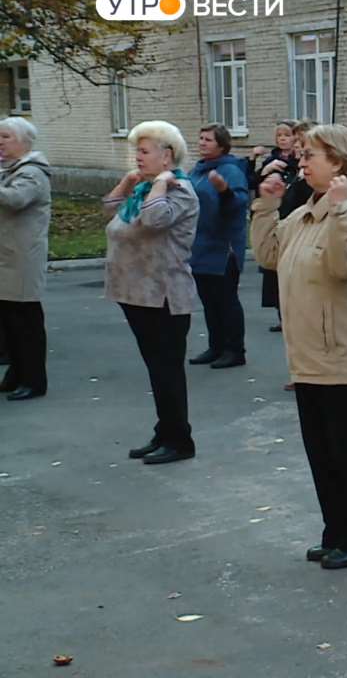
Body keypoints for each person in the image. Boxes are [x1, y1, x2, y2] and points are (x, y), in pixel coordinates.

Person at [250, 124, 347, 570]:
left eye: (312, 155)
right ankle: (337, 532)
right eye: (303, 154)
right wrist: (268, 204)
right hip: (309, 356)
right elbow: (269, 256)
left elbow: (346, 263)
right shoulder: (306, 211)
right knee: (323, 454)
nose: (301, 161)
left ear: (340, 163)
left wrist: (343, 208)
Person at [102, 121, 201, 465]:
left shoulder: (179, 190)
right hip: (137, 292)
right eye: (137, 151)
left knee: (167, 369)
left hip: (164, 295)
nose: (138, 158)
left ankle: (180, 440)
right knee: (156, 368)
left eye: (144, 152)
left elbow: (155, 220)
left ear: (167, 156)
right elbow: (110, 212)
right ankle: (165, 432)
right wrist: (130, 182)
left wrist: (159, 183)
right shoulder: (145, 189)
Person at [188, 123, 250, 369]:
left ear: (222, 145)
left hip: (223, 246)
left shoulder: (230, 170)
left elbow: (238, 203)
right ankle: (216, 346)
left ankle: (235, 350)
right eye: (201, 138)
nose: (202, 143)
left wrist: (224, 191)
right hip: (200, 244)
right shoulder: (199, 169)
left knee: (226, 299)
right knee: (208, 300)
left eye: (208, 140)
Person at [0, 116, 51, 401]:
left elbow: (15, 199)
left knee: (25, 323)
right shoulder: (10, 168)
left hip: (22, 258)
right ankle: (16, 374)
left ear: (23, 141)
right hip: (7, 255)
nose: (0, 142)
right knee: (9, 322)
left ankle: (33, 379)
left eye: (5, 136)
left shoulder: (33, 172)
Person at [248, 120, 301, 333]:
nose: (283, 140)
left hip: (292, 215)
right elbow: (254, 182)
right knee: (273, 271)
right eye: (279, 136)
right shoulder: (273, 159)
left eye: (286, 135)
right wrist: (264, 168)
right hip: (275, 215)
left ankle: (294, 314)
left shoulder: (300, 164)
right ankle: (282, 314)